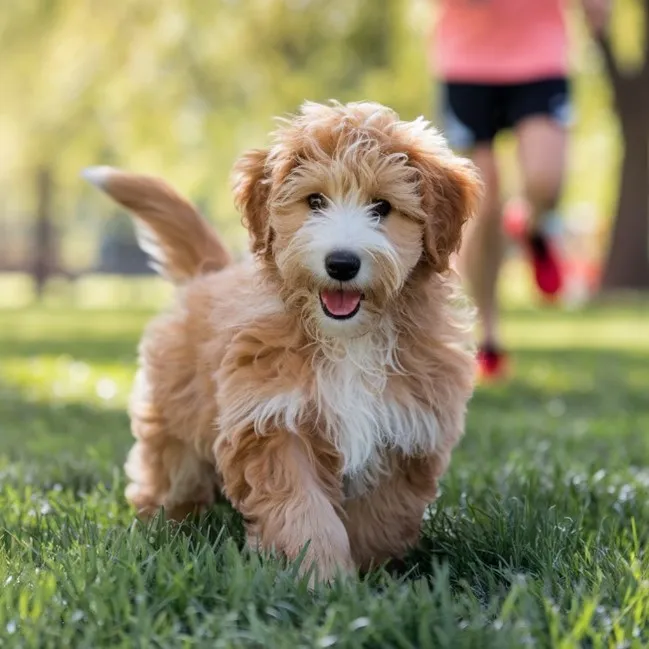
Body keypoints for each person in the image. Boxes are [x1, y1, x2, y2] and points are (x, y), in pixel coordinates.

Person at [429, 0, 611, 380]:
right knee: (483, 199)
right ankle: (488, 337)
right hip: (466, 61)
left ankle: (531, 227)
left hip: (540, 57)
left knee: (546, 179)